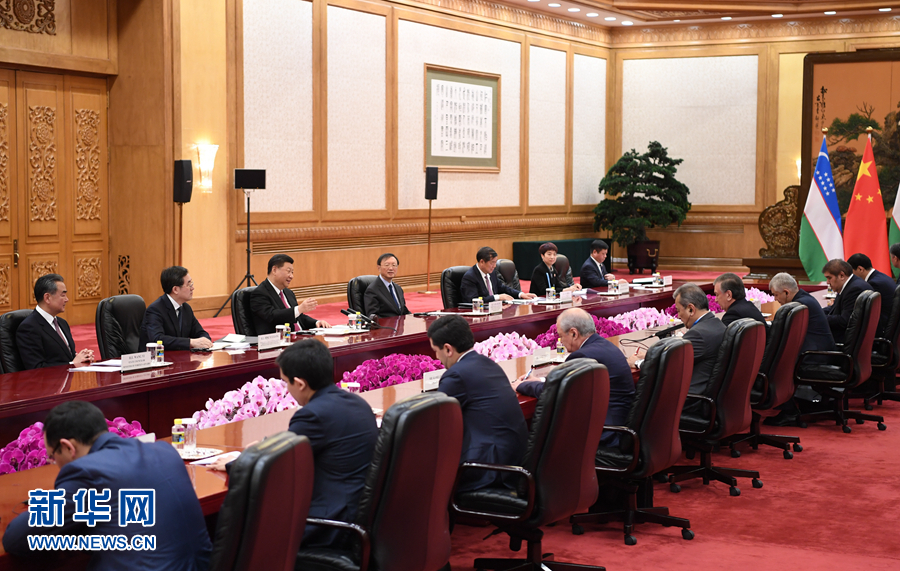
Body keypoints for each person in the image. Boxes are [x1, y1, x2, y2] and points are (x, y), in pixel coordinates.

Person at [2, 401, 212, 570]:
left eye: (52, 456)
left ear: (67, 447)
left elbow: (15, 538)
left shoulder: (85, 472)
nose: (54, 463)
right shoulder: (164, 451)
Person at [427, 315, 528, 492]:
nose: (437, 357)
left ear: (448, 349)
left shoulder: (456, 375)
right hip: (514, 461)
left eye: (436, 351)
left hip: (489, 470)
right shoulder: (488, 363)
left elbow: (434, 422)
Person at [515, 308, 634, 447]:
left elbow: (555, 392)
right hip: (622, 428)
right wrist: (541, 380)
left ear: (573, 333)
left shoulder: (582, 356)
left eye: (561, 336)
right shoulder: (605, 346)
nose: (560, 341)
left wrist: (520, 385)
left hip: (607, 434)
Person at [766, 272, 836, 426]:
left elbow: (780, 334)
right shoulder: (805, 299)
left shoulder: (797, 306)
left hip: (815, 356)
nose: (775, 299)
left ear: (786, 292)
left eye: (776, 295)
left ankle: (789, 411)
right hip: (821, 351)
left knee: (776, 365)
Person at [16, 274, 94, 370]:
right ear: (47, 298)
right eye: (63, 295)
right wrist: (72, 364)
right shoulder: (29, 328)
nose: (67, 299)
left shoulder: (62, 323)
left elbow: (66, 357)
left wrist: (83, 358)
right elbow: (36, 368)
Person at [674, 283, 726, 414]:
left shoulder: (697, 334)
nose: (678, 316)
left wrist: (639, 362)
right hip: (716, 399)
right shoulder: (718, 324)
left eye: (679, 310)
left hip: (693, 402)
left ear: (691, 309)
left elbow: (670, 366)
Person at [250, 254, 331, 334]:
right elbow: (272, 316)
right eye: (288, 271)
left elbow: (298, 317)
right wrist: (299, 309)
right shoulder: (259, 293)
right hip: (280, 339)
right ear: (274, 270)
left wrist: (316, 322)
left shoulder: (288, 293)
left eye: (292, 272)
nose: (291, 276)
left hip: (300, 336)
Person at [139, 266, 212, 351]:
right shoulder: (155, 310)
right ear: (175, 289)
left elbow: (200, 332)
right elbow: (158, 339)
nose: (192, 288)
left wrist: (205, 341)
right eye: (189, 284)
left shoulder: (186, 308)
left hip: (179, 357)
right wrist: (190, 342)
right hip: (156, 357)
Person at [460, 247, 537, 304]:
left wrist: (520, 294)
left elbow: (503, 288)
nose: (494, 266)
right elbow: (473, 300)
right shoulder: (470, 277)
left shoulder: (492, 273)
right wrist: (497, 297)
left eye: (495, 262)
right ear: (482, 262)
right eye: (492, 263)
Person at [822, 258, 873, 344]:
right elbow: (834, 308)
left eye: (829, 278)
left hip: (847, 341)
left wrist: (820, 318)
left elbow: (844, 320)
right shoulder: (851, 284)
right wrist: (818, 312)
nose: (827, 282)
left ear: (842, 275)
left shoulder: (854, 289)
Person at [847, 253, 895, 335]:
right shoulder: (881, 276)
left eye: (852, 273)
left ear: (860, 269)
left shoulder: (873, 284)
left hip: (883, 328)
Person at [363, 253, 410, 318]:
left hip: (400, 323)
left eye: (394, 265)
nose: (391, 268)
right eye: (387, 265)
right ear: (379, 268)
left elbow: (403, 311)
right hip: (385, 324)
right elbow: (373, 317)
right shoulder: (372, 290)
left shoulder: (398, 288)